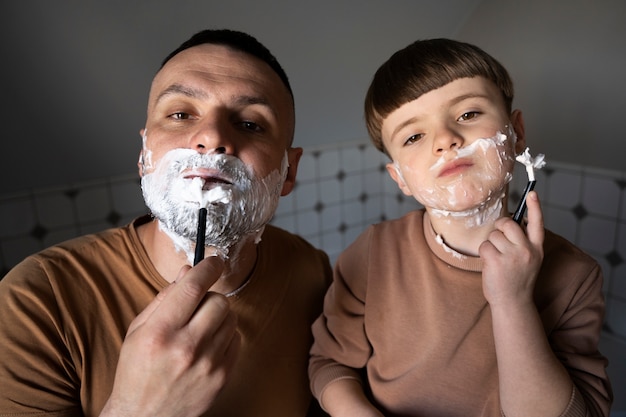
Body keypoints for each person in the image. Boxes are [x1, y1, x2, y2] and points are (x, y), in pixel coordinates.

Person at [0, 29, 332, 417]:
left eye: (250, 124)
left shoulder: (312, 271)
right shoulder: (36, 303)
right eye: (180, 114)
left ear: (288, 172)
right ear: (144, 155)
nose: (210, 137)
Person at [308, 38, 613, 417]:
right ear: (399, 177)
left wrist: (513, 301)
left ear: (516, 131)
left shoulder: (574, 276)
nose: (445, 140)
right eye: (414, 136)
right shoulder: (373, 253)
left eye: (468, 114)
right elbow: (329, 365)